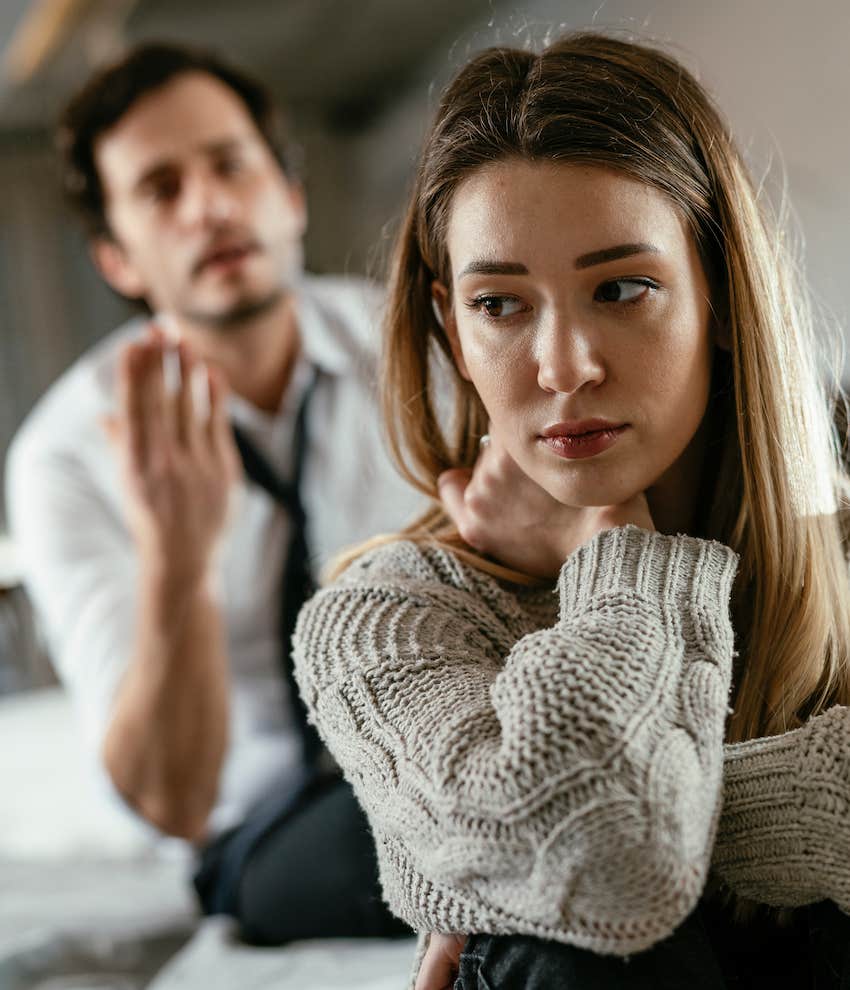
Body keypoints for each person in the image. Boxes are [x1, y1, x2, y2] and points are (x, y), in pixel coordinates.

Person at [292, 31, 850, 990]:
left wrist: (507, 848)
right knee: (563, 942)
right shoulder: (381, 621)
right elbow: (605, 872)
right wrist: (622, 556)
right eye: (501, 306)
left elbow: (584, 847)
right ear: (451, 330)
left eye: (622, 288)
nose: (563, 367)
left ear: (718, 293)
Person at [5, 42, 421, 944]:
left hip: (441, 758)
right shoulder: (63, 458)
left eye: (232, 165)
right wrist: (178, 562)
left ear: (290, 194)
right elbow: (172, 798)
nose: (212, 207)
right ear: (117, 259)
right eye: (161, 189)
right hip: (256, 831)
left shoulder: (422, 351)